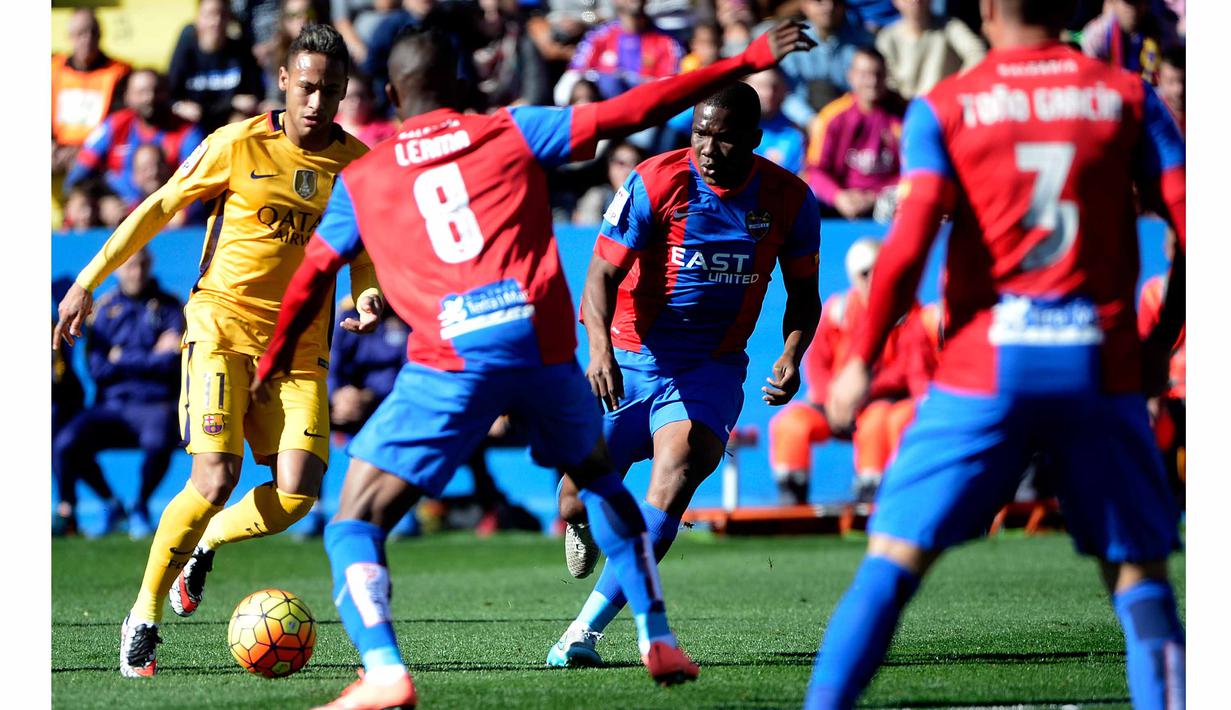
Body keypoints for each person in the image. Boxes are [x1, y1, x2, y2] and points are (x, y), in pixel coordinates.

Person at [252, 22, 817, 709]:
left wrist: (272, 364)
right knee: (600, 486)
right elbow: (632, 110)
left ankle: (384, 671)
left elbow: (312, 275)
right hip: (541, 347)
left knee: (355, 522)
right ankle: (654, 631)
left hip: (453, 358)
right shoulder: (508, 129)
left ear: (392, 94)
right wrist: (752, 55)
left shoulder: (364, 174)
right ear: (461, 85)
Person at [804, 1, 1186, 707]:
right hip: (1097, 365)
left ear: (984, 11)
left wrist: (858, 357)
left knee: (891, 560)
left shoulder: (945, 106)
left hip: (984, 368)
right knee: (1139, 581)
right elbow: (1194, 224)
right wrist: (1157, 346)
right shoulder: (1125, 96)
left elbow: (908, 246)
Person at [53, 24, 381, 679]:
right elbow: (157, 206)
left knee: (297, 494)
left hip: (298, 346)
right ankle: (143, 613)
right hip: (221, 329)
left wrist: (364, 296)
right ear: (284, 80)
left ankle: (206, 540)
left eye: (333, 92)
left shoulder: (356, 162)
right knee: (213, 479)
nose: (318, 103)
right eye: (309, 87)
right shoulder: (235, 145)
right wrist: (87, 282)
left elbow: (364, 247)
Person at [547, 80, 822, 667]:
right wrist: (597, 351)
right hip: (625, 359)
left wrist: (791, 355)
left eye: (723, 139)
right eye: (700, 132)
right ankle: (581, 520)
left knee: (675, 475)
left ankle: (583, 632)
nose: (707, 148)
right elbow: (599, 276)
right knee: (575, 499)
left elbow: (804, 295)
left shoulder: (789, 200)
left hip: (710, 367)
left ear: (753, 139)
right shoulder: (655, 180)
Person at [768, 239, 935, 505]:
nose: (873, 278)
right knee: (790, 424)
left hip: (883, 404)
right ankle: (792, 504)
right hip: (835, 406)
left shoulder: (908, 313)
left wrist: (864, 391)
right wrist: (832, 398)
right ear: (854, 276)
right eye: (865, 272)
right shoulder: (839, 310)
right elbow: (818, 364)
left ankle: (870, 498)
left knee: (877, 422)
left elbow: (914, 372)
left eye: (879, 270)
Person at [52, 249, 184, 539]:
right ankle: (109, 504)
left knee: (159, 437)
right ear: (116, 270)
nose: (135, 272)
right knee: (65, 442)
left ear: (149, 266)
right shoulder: (102, 309)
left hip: (156, 403)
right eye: (129, 266)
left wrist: (121, 357)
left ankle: (141, 504)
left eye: (140, 265)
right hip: (111, 406)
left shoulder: (172, 306)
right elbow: (98, 368)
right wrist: (150, 356)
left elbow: (173, 362)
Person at [64, 69, 205, 204]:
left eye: (156, 90)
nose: (149, 97)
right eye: (141, 92)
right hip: (118, 214)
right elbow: (77, 178)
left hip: (170, 214)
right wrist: (104, 201)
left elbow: (194, 187)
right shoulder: (114, 126)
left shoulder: (188, 132)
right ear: (127, 96)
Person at [806, 46, 906, 218]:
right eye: (864, 74)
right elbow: (815, 170)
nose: (872, 81)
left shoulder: (903, 116)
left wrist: (874, 196)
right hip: (839, 202)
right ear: (850, 76)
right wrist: (838, 197)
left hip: (887, 202)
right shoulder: (832, 117)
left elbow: (913, 170)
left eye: (878, 74)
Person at [552, 0, 684, 105]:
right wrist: (582, 89)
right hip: (602, 116)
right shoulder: (598, 36)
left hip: (648, 120)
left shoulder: (668, 42)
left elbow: (672, 89)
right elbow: (569, 80)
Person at [52, 8, 131, 174]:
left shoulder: (119, 72)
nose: (87, 39)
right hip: (56, 147)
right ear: (70, 37)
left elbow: (118, 120)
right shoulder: (53, 68)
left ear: (101, 35)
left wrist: (86, 149)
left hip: (97, 151)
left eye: (93, 33)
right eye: (81, 33)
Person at [167, 0, 264, 132]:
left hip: (229, 122)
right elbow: (170, 95)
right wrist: (178, 106)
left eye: (222, 15)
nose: (216, 22)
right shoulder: (186, 47)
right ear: (198, 18)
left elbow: (253, 96)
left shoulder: (240, 51)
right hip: (195, 123)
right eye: (210, 14)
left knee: (240, 128)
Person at [1139, 229, 1185, 504]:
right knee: (1166, 471)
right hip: (1170, 393)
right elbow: (1147, 342)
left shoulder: (1155, 290)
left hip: (1169, 390)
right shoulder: (1155, 291)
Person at [777, 0, 874, 129]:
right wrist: (811, 121)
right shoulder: (792, 43)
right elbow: (786, 96)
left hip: (853, 123)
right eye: (819, 1)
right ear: (804, 5)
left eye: (835, 1)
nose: (829, 7)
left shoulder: (862, 41)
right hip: (805, 127)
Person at [875, 0, 986, 98]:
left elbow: (977, 52)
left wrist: (957, 87)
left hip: (944, 107)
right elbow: (887, 82)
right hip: (904, 111)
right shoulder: (886, 38)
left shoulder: (950, 27)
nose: (915, 0)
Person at [1080, 0, 1177, 85]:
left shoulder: (1164, 32)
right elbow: (1091, 80)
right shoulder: (1097, 34)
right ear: (1114, 2)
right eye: (1127, 2)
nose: (1133, 10)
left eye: (1138, 2)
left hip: (1150, 97)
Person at [746, 68, 807, 173]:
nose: (769, 93)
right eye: (761, 86)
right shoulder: (732, 128)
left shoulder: (796, 133)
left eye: (775, 87)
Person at [1157, 45, 1183, 133]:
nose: (1179, 89)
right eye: (1170, 81)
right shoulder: (1151, 115)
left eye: (1184, 81)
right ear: (1159, 79)